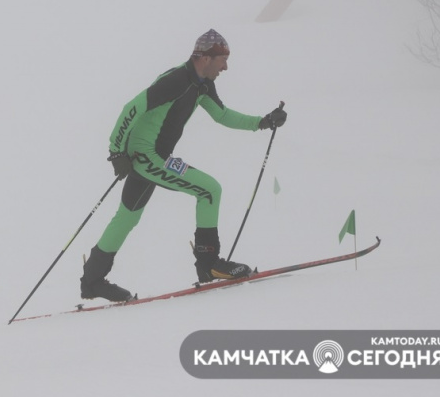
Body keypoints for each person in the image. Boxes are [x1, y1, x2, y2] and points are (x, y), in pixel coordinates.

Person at [80, 29, 287, 302]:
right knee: (209, 190)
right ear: (205, 58)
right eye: (222, 59)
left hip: (157, 156)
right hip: (147, 156)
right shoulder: (177, 80)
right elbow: (132, 107)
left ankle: (92, 281)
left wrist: (262, 122)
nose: (226, 67)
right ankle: (209, 263)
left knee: (128, 216)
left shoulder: (202, 84)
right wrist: (116, 152)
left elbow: (222, 115)